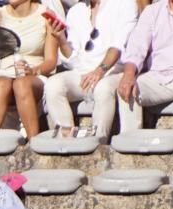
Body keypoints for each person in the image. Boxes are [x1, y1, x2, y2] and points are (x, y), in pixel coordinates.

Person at [43, 0, 136, 139]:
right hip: (84, 72)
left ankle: (98, 141)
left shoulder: (125, 4)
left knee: (102, 88)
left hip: (113, 71)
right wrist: (62, 40)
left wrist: (99, 71)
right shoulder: (76, 11)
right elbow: (74, 61)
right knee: (53, 85)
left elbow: (119, 45)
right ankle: (67, 140)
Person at [114, 0, 173, 135]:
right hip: (160, 78)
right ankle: (130, 139)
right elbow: (136, 48)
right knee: (128, 87)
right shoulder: (152, 12)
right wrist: (128, 75)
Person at [0, 0, 58, 137]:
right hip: (3, 72)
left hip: (34, 73)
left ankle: (34, 142)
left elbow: (51, 61)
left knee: (21, 84)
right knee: (1, 83)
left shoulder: (46, 15)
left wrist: (33, 71)